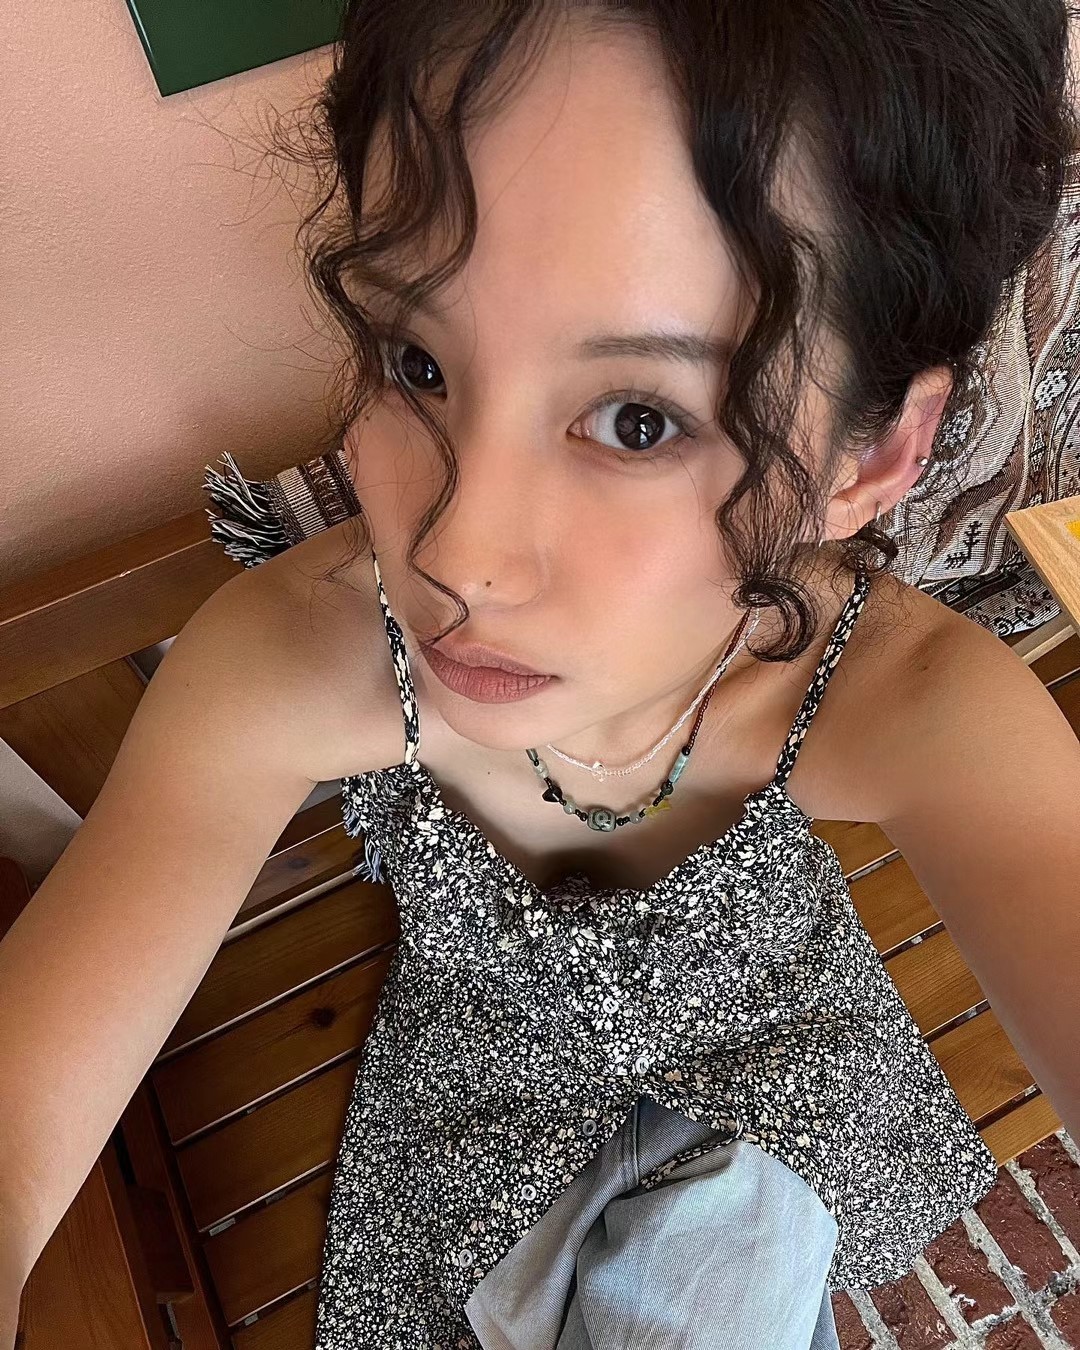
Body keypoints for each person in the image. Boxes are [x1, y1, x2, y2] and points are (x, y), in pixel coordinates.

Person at [3, 2, 1080, 1347]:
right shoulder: (301, 660)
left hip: (775, 1057)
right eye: (418, 362)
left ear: (870, 457)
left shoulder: (903, 699)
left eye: (638, 420)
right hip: (474, 1102)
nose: (457, 552)